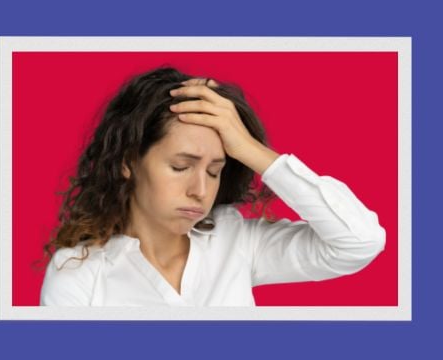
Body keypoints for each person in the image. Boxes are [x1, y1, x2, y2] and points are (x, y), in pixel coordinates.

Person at [40, 66, 386, 306]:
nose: (200, 191)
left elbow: (358, 242)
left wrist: (251, 149)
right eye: (181, 166)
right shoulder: (77, 273)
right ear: (128, 162)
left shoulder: (237, 242)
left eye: (214, 171)